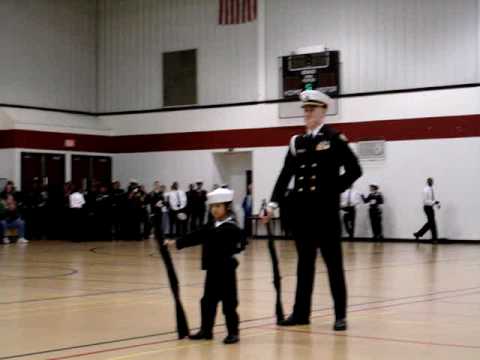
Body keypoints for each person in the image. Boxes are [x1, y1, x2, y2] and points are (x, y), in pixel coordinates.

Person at [262, 90, 362, 331]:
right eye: (305, 110)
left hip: (326, 214)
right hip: (303, 215)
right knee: (304, 265)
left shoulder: (334, 138)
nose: (307, 113)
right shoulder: (297, 142)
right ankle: (300, 313)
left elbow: (354, 170)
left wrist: (332, 190)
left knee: (333, 265)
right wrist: (273, 204)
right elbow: (285, 174)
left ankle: (340, 316)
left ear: (323, 111)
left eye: (312, 109)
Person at [165, 188, 246, 344]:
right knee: (207, 301)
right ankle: (206, 330)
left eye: (218, 206)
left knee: (229, 303)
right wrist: (176, 243)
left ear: (227, 207)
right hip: (212, 270)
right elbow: (197, 235)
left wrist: (193, 238)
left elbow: (237, 242)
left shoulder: (231, 227)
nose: (214, 209)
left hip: (226, 271)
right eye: (212, 206)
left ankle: (233, 332)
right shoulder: (212, 225)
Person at [414, 177, 440, 243]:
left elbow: (432, 199)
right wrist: (434, 202)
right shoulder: (425, 190)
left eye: (432, 181)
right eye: (430, 181)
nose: (431, 182)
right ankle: (434, 239)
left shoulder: (431, 189)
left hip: (430, 207)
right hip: (427, 208)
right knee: (432, 223)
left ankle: (418, 234)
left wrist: (436, 204)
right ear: (428, 182)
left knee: (430, 223)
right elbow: (425, 201)